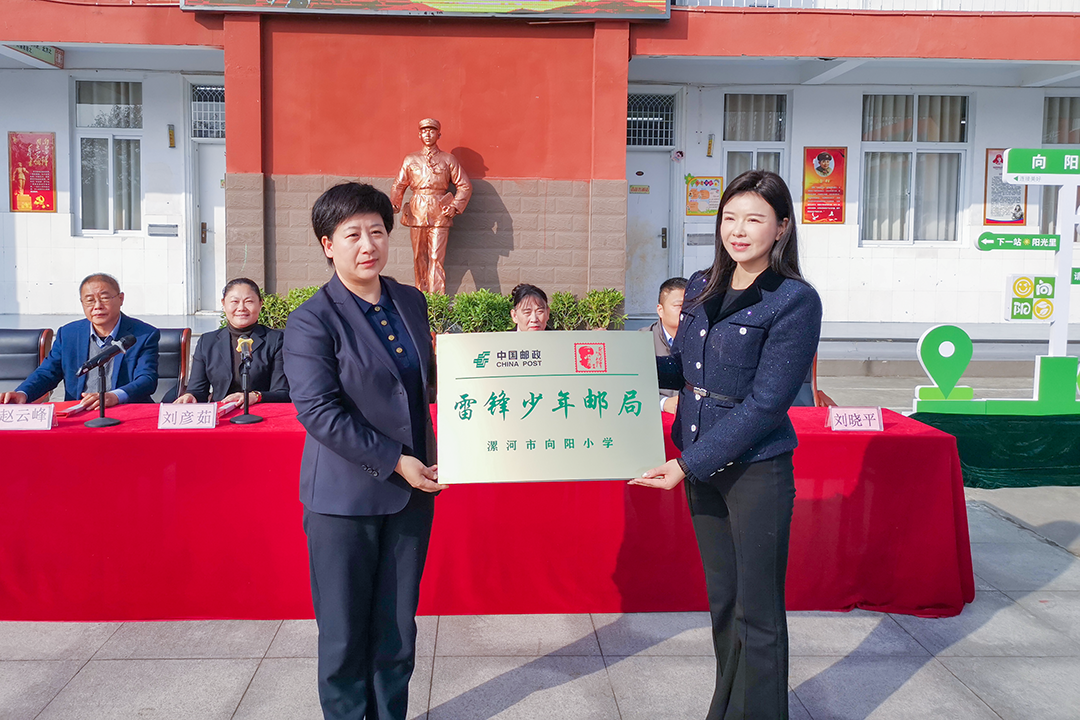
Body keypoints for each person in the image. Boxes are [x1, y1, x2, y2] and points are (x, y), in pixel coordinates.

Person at [631, 170, 822, 720]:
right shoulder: (702, 284)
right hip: (702, 465)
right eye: (730, 217)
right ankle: (727, 708)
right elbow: (683, 369)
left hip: (754, 470)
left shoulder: (794, 300)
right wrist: (611, 363)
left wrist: (685, 465)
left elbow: (767, 405)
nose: (738, 230)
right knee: (724, 603)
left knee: (758, 612)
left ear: (781, 228)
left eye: (754, 219)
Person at [283, 182, 445, 720]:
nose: (367, 244)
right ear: (328, 245)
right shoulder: (312, 318)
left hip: (412, 495)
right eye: (352, 234)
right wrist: (395, 458)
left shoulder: (410, 300)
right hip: (344, 501)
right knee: (344, 635)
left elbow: (425, 384)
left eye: (376, 231)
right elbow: (318, 410)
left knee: (397, 631)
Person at [1, 273, 159, 408]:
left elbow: (147, 379)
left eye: (105, 298)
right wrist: (23, 393)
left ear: (121, 298)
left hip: (126, 411)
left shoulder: (143, 334)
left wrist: (115, 396)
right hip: (79, 412)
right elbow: (47, 373)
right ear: (82, 303)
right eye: (90, 300)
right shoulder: (68, 334)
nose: (97, 306)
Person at [173, 278, 289, 406]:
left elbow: (282, 392)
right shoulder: (207, 342)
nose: (241, 308)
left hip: (260, 412)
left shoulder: (276, 340)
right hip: (220, 412)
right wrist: (190, 396)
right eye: (234, 301)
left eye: (249, 302)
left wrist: (256, 396)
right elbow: (198, 391)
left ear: (260, 304)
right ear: (223, 304)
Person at [390, 118, 472, 294]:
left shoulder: (448, 159)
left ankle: (436, 301)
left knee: (436, 257)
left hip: (440, 212)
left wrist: (454, 206)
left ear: (439, 135)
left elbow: (464, 185)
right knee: (419, 257)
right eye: (424, 131)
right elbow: (399, 184)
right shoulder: (410, 159)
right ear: (419, 135)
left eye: (432, 131)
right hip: (417, 210)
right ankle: (420, 296)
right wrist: (395, 204)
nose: (428, 134)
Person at [645, 276, 686, 414]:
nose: (686, 311)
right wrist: (662, 403)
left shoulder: (705, 342)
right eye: (679, 306)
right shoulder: (641, 341)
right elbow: (626, 387)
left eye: (691, 306)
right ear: (660, 310)